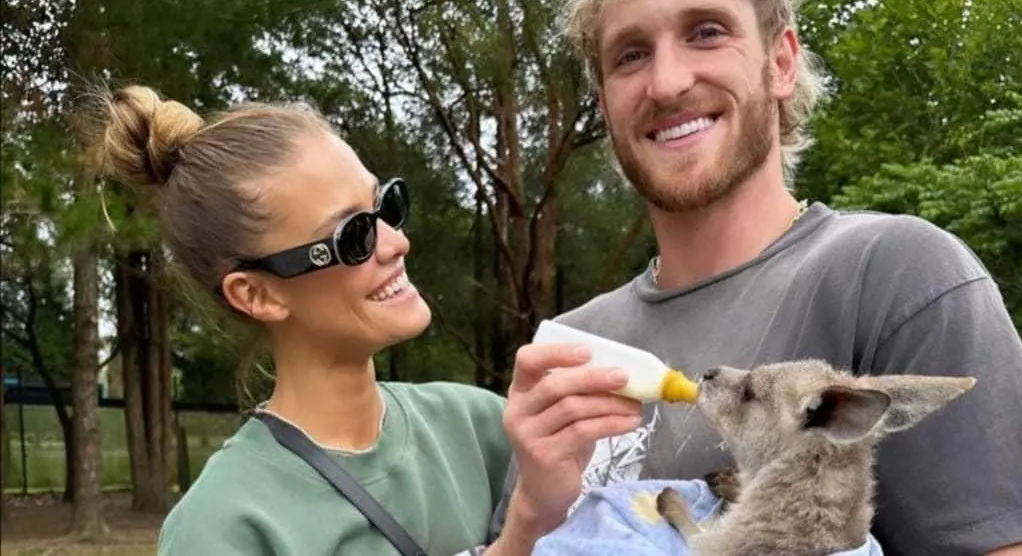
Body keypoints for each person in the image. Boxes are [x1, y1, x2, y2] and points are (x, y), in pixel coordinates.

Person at [491, 0, 1022, 554]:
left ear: (781, 62)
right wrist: (530, 515)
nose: (667, 81)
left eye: (706, 32)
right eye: (630, 55)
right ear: (605, 102)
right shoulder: (573, 347)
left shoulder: (894, 275)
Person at [93, 86, 642, 555]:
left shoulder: (483, 428)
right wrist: (522, 531)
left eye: (387, 207)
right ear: (256, 294)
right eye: (353, 235)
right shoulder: (224, 527)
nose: (397, 242)